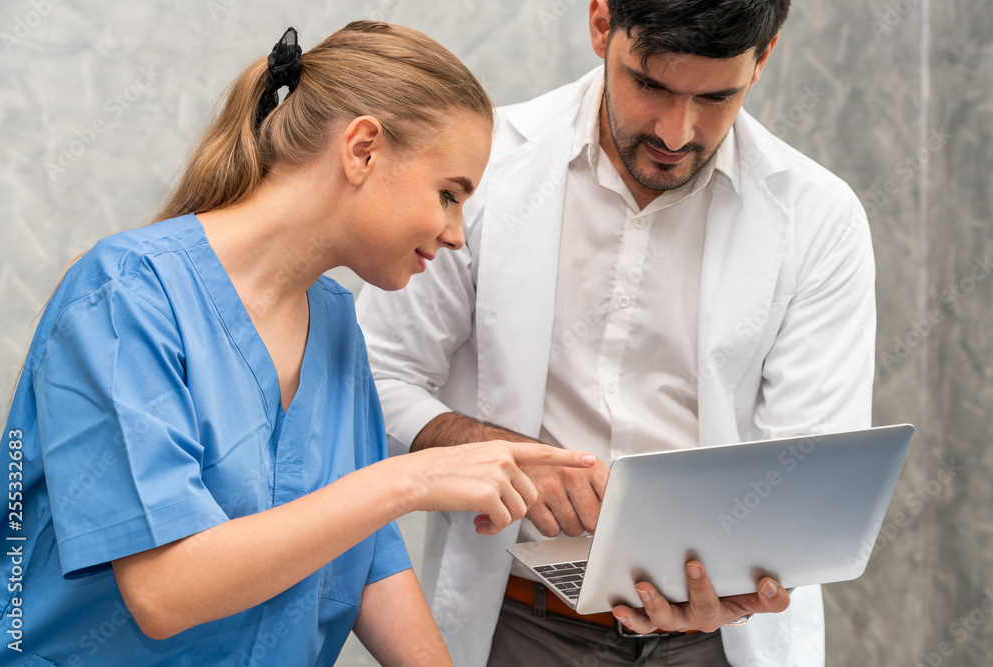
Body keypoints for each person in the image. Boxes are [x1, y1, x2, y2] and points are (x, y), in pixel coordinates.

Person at [0, 21, 597, 666]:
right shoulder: (125, 296)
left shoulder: (333, 320)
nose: (456, 235)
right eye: (449, 195)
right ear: (363, 149)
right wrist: (413, 478)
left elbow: (367, 556)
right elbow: (166, 591)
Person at [355, 0, 876, 665]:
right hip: (518, 625)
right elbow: (379, 376)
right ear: (601, 23)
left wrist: (752, 566)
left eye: (716, 96)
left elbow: (812, 467)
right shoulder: (484, 173)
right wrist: (497, 455)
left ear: (763, 57)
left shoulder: (818, 219)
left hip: (720, 640)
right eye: (651, 84)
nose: (676, 131)